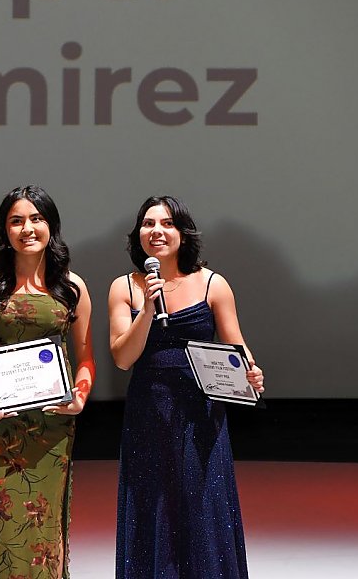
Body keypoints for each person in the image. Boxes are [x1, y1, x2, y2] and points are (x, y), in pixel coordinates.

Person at [108, 195, 264, 579]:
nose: (157, 231)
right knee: (152, 506)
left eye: (167, 224)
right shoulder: (123, 288)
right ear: (138, 234)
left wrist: (252, 371)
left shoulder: (212, 283)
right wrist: (147, 308)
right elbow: (123, 358)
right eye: (148, 224)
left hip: (201, 414)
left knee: (203, 507)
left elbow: (236, 346)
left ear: (182, 232)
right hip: (149, 412)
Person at [0, 185, 96, 579]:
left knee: (45, 525)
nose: (27, 228)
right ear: (5, 230)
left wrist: (80, 396)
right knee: (0, 524)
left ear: (52, 226)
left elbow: (86, 361)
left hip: (53, 426)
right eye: (16, 221)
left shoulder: (73, 288)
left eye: (36, 219)